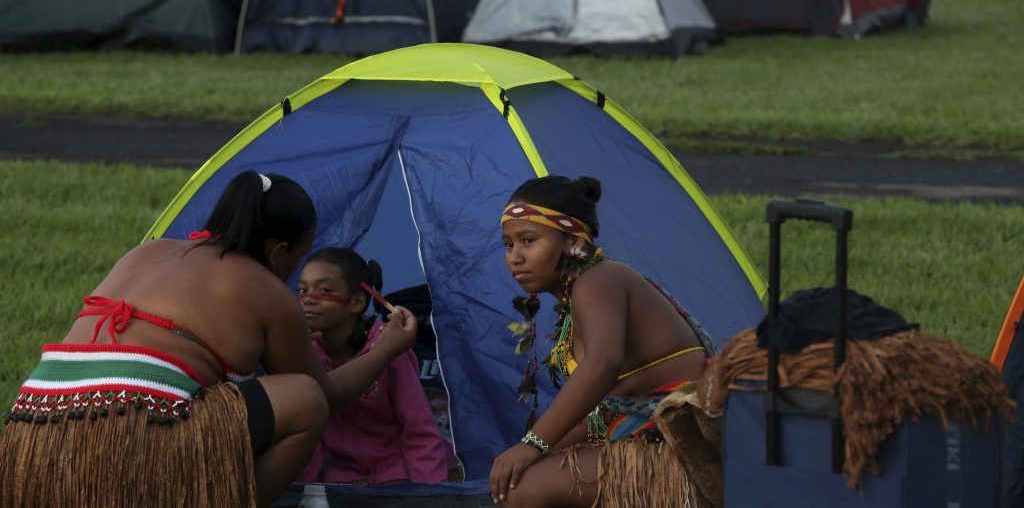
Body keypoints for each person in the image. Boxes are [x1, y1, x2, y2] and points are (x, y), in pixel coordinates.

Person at [0, 171, 418, 508]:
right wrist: (386, 348)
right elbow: (326, 398)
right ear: (279, 251)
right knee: (304, 398)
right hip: (127, 444)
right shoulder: (266, 289)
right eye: (298, 258)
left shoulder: (146, 251)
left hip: (30, 442)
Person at [488, 175, 716, 507]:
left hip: (682, 451)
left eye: (528, 240)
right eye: (509, 245)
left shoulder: (597, 280)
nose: (515, 257)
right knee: (517, 475)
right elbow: (605, 405)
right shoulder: (580, 295)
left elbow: (602, 365)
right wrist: (533, 448)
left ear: (572, 242)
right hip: (649, 438)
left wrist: (532, 445)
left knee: (524, 487)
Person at [295, 248, 449, 484]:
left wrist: (429, 492)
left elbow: (419, 427)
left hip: (396, 470)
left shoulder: (391, 347)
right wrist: (304, 490)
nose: (308, 299)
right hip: (341, 475)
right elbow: (308, 433)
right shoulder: (305, 351)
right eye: (302, 290)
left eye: (324, 290)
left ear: (357, 302)